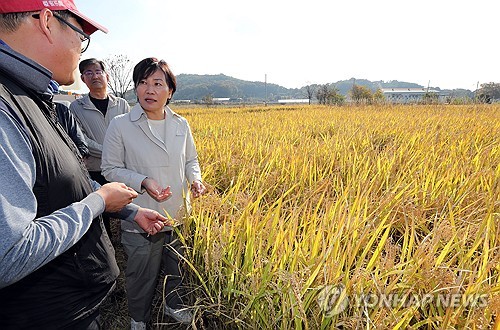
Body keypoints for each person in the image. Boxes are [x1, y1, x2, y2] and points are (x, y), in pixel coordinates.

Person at [0, 2, 168, 328]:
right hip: (47, 314)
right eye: (81, 35)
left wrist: (129, 210)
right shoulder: (7, 106)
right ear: (47, 22)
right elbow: (8, 254)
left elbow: (59, 180)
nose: (81, 49)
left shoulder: (33, 98)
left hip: (71, 303)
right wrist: (99, 201)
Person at [102, 57, 207, 329]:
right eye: (143, 83)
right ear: (135, 88)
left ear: (170, 91)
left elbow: (190, 160)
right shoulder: (121, 125)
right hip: (141, 215)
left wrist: (195, 180)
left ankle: (174, 305)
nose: (149, 90)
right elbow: (110, 169)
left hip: (179, 213)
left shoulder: (181, 124)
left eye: (158, 83)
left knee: (178, 268)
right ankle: (138, 318)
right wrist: (143, 180)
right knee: (140, 274)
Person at [70, 57, 130, 237]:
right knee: (101, 209)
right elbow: (82, 139)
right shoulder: (76, 107)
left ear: (107, 77)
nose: (95, 76)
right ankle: (107, 245)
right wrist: (111, 152)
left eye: (98, 72)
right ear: (83, 79)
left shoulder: (121, 104)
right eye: (89, 73)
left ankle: (125, 239)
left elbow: (129, 133)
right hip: (94, 168)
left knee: (125, 204)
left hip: (120, 168)